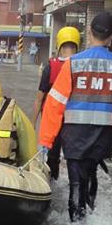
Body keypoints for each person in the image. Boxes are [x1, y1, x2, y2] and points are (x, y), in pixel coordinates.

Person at [38, 11, 112, 221]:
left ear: (90, 33)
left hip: (74, 134)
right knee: (91, 171)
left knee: (76, 180)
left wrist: (46, 140)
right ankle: (91, 213)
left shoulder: (73, 64)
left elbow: (54, 105)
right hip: (105, 134)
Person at [33, 26, 81, 180]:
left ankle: (52, 182)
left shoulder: (50, 67)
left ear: (59, 46)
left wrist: (32, 124)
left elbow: (39, 98)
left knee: (52, 155)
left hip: (53, 119)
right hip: (76, 120)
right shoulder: (82, 66)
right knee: (75, 157)